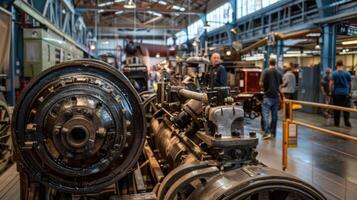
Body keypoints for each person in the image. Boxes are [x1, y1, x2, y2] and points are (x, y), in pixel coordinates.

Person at [260, 59, 282, 139]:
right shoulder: (278, 72)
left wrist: (264, 88)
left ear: (269, 63)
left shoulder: (265, 71)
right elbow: (281, 84)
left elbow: (261, 83)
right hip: (275, 96)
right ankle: (273, 133)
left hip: (267, 96)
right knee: (275, 115)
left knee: (265, 115)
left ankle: (267, 132)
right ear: (275, 63)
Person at [330, 60, 352, 127]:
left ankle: (336, 124)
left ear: (336, 65)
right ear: (343, 65)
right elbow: (350, 84)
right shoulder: (347, 73)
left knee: (336, 110)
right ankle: (347, 123)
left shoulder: (334, 74)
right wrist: (349, 92)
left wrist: (331, 92)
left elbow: (331, 84)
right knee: (346, 110)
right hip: (345, 94)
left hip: (337, 94)